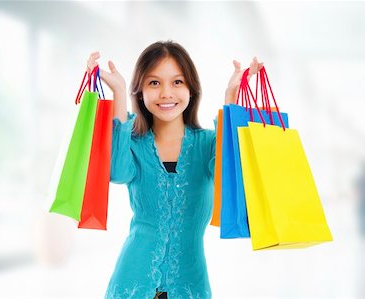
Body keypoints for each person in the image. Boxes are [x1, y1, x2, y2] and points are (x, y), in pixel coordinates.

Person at [86, 40, 262, 299]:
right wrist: (119, 92)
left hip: (190, 285)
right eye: (154, 83)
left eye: (177, 82)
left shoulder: (208, 144)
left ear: (192, 89)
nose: (166, 93)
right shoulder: (135, 144)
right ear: (141, 92)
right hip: (132, 283)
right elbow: (117, 172)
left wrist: (231, 100)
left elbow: (228, 175)